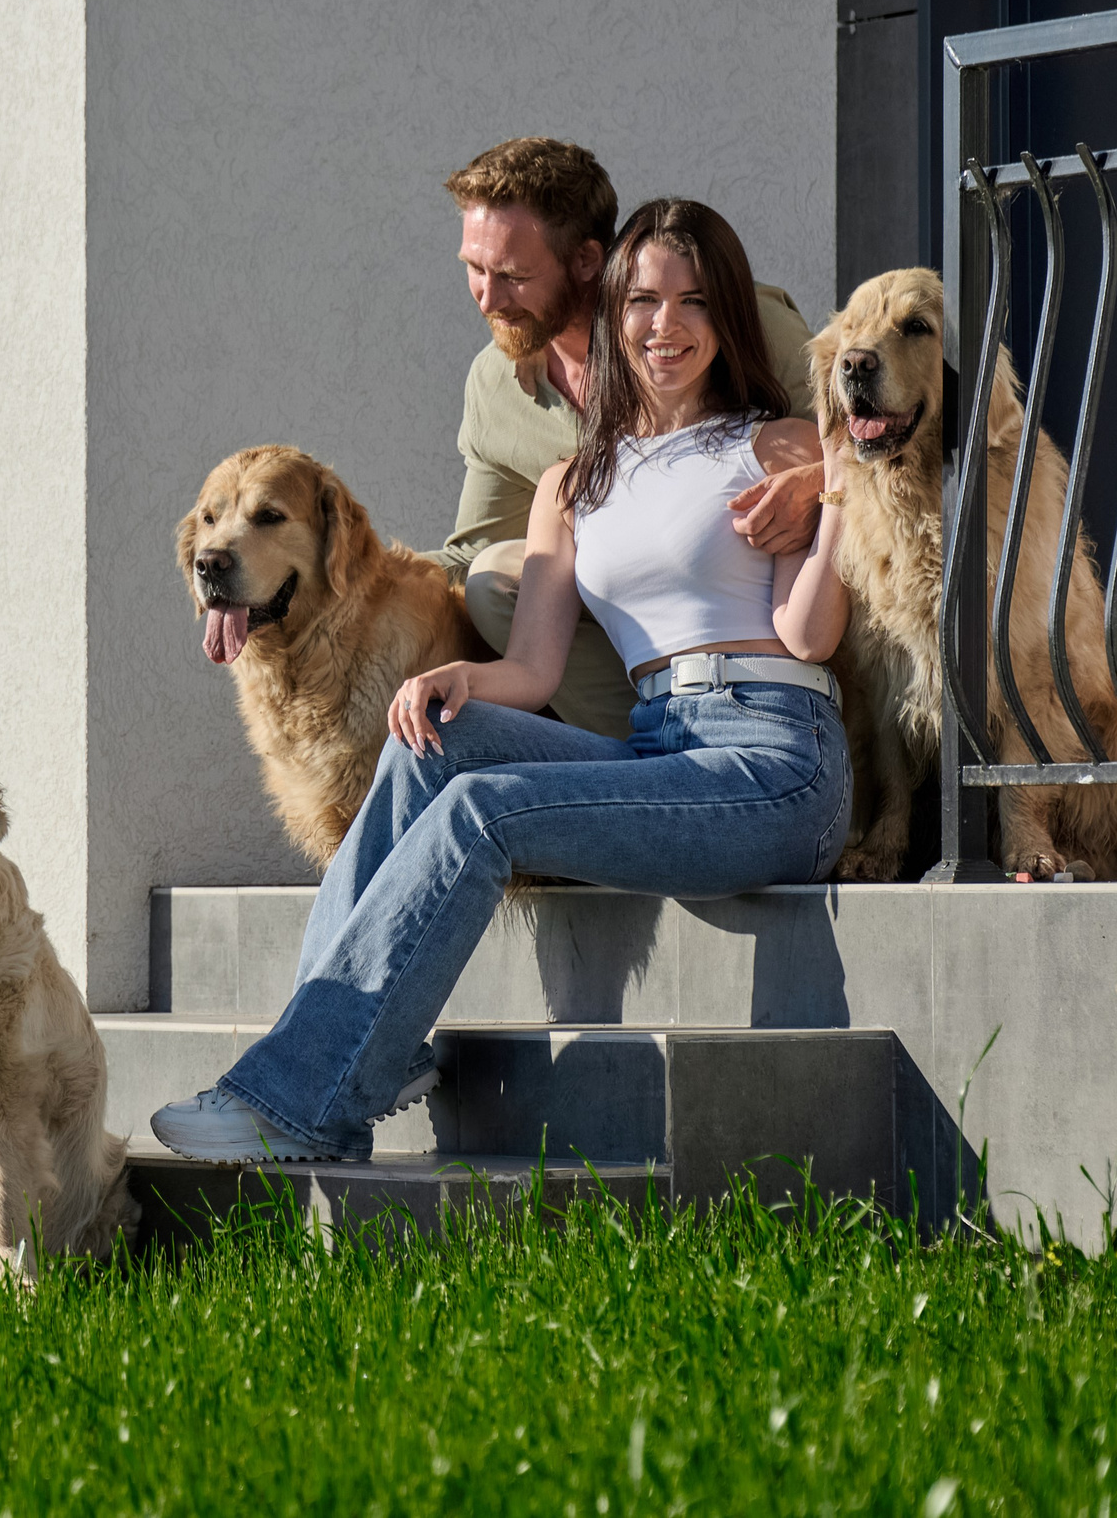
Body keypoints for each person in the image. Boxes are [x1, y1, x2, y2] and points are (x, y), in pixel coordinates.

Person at [151, 200, 855, 1163]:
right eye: (643, 299)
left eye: (694, 301)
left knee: (486, 809)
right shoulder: (573, 483)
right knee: (436, 738)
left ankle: (302, 1096)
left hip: (773, 759)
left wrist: (838, 498)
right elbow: (531, 670)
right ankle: (355, 1057)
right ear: (612, 315)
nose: (666, 324)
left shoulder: (781, 444)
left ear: (728, 315)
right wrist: (454, 680)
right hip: (659, 743)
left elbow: (805, 634)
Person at [437, 137, 825, 738]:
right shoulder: (494, 383)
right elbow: (466, 558)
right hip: (626, 642)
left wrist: (819, 483)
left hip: (772, 666)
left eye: (513, 274)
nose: (487, 298)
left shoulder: (741, 320)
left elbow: (869, 441)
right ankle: (637, 758)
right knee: (492, 579)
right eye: (473, 268)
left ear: (588, 260)